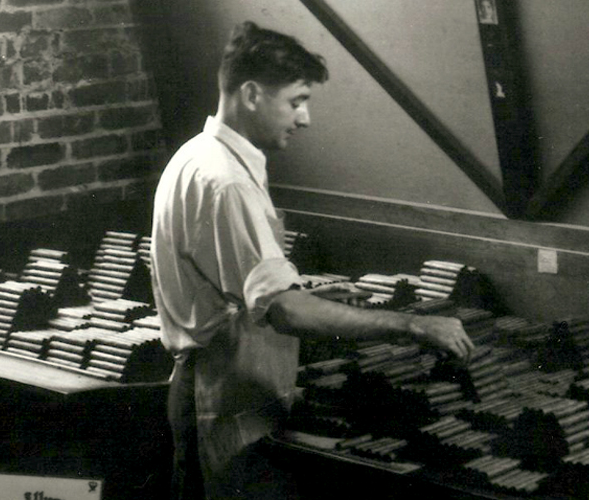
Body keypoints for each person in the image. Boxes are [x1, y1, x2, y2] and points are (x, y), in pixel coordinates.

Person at [150, 21, 474, 500]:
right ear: (252, 94)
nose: (305, 119)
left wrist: (309, 294)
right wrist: (412, 326)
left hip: (212, 381)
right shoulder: (227, 182)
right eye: (296, 101)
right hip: (223, 394)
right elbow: (286, 312)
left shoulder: (196, 156)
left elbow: (234, 286)